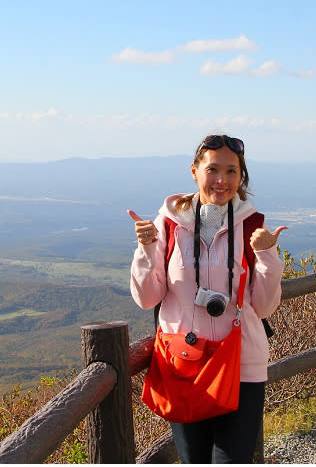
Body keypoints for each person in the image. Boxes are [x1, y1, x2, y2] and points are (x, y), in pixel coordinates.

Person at [127, 134, 286, 463]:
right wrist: (146, 249)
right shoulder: (169, 224)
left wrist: (268, 255)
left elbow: (265, 306)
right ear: (194, 170)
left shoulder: (253, 225)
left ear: (241, 176)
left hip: (241, 363)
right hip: (185, 361)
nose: (222, 180)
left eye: (232, 171)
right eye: (213, 169)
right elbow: (146, 298)